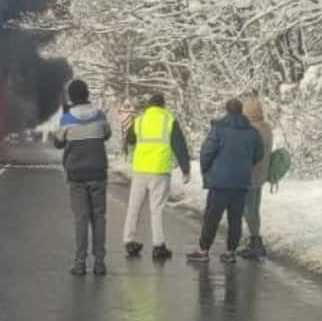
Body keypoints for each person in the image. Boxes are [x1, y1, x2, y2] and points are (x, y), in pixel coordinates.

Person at [187, 99, 262, 264]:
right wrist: (246, 165)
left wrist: (207, 170)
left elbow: (207, 152)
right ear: (241, 111)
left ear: (227, 111)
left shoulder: (218, 129)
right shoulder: (252, 132)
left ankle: (204, 250)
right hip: (241, 182)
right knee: (235, 218)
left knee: (212, 217)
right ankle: (230, 252)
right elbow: (259, 154)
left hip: (220, 181)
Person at [53, 79, 112, 276]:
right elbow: (106, 135)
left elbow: (58, 143)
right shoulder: (100, 115)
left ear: (71, 97)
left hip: (77, 176)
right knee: (99, 217)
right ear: (87, 93)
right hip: (98, 172)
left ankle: (79, 263)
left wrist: (65, 117)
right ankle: (100, 263)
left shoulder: (67, 119)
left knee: (81, 218)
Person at [122, 94, 192, 260]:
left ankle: (129, 240)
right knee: (157, 209)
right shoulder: (169, 120)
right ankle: (158, 245)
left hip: (140, 170)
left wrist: (131, 152)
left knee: (134, 206)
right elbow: (179, 145)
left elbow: (129, 140)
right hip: (160, 171)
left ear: (149, 106)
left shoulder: (140, 120)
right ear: (163, 106)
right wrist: (185, 169)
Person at [238, 95, 273, 259]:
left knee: (248, 209)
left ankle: (256, 241)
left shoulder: (251, 130)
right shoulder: (266, 127)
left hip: (250, 174)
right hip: (262, 174)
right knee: (255, 208)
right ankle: (255, 239)